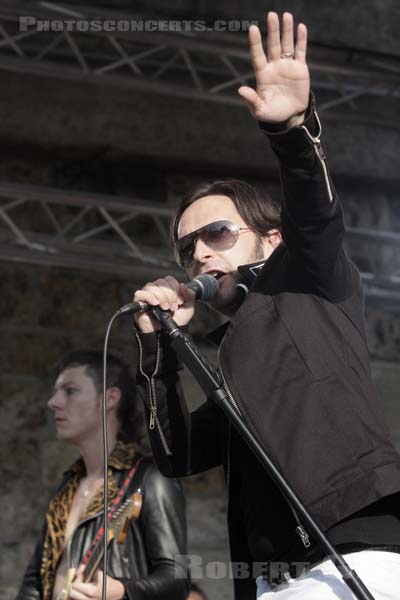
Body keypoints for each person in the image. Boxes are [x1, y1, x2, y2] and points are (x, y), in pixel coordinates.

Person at [132, 11, 400, 600]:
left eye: (218, 233)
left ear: (270, 240)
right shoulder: (228, 359)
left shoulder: (307, 280)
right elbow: (175, 455)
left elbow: (315, 212)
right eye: (187, 248)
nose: (200, 253)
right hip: (278, 576)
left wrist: (292, 131)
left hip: (353, 551)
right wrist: (157, 349)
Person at [17, 350, 189, 600]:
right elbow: (35, 583)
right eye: (56, 392)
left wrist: (122, 590)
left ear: (110, 398)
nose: (53, 402)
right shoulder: (67, 486)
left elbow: (178, 580)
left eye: (70, 391)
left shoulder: (149, 479)